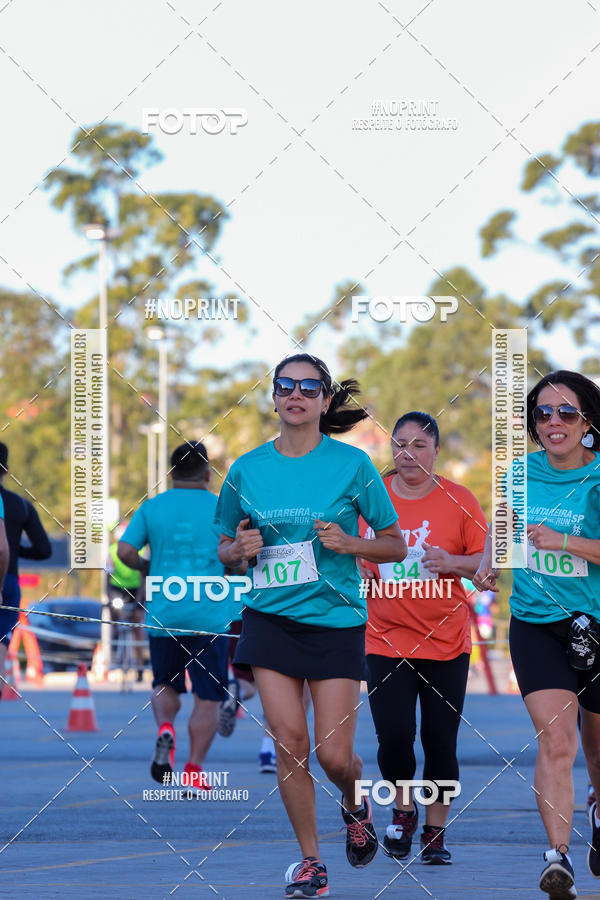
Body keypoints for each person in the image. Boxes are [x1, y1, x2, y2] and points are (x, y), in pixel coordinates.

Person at [215, 353, 406, 899]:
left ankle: (355, 801)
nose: (294, 394)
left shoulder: (353, 465)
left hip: (336, 621)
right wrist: (238, 550)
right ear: (273, 397)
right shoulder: (247, 469)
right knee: (290, 741)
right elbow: (225, 547)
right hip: (270, 618)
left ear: (324, 400)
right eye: (284, 386)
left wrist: (352, 544)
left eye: (307, 386)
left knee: (333, 755)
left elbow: (393, 544)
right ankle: (310, 861)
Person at [474, 370, 600, 900]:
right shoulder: (519, 473)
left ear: (587, 421)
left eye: (566, 413)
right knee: (557, 740)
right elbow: (502, 528)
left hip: (595, 626)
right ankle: (558, 857)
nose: (553, 423)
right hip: (534, 623)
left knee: (597, 747)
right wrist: (486, 562)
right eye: (543, 414)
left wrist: (567, 541)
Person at [359, 411, 487, 865]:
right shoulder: (370, 498)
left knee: (440, 742)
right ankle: (403, 809)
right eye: (399, 444)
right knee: (393, 737)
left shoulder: (460, 500)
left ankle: (435, 831)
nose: (406, 453)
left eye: (418, 445)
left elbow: (487, 567)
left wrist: (451, 562)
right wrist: (357, 561)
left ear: (436, 451)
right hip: (385, 638)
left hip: (445, 641)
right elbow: (350, 551)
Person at [118, 441, 239, 787]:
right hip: (209, 615)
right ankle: (194, 770)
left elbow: (125, 550)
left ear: (171, 474)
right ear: (206, 472)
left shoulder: (153, 507)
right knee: (209, 696)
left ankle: (166, 729)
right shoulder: (222, 507)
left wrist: (148, 567)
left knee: (164, 683)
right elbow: (238, 558)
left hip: (163, 613)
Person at [0, 443, 50, 679]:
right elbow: (43, 550)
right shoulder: (21, 506)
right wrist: (14, 550)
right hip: (9, 580)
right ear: (6, 469)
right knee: (1, 647)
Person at [107, 524, 146, 681]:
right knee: (114, 615)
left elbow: (144, 578)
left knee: (137, 624)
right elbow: (107, 577)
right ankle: (116, 637)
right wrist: (109, 599)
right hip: (117, 588)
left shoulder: (141, 551)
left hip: (136, 588)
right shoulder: (111, 551)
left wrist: (140, 599)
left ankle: (140, 664)